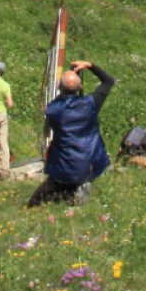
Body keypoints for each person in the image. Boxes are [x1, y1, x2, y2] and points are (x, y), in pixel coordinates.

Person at [30, 58, 113, 206]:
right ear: (80, 86)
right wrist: (90, 65)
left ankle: (58, 191)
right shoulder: (91, 103)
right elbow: (108, 81)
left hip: (63, 165)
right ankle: (79, 188)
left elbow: (50, 124)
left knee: (36, 200)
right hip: (90, 163)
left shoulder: (52, 109)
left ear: (58, 87)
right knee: (80, 179)